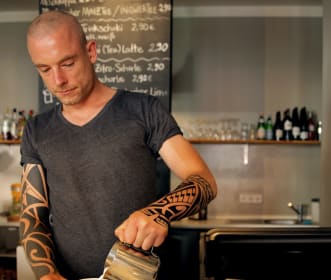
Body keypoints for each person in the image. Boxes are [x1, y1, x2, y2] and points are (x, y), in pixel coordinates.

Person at [20, 10, 217, 280]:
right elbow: (33, 217)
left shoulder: (143, 110)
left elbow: (204, 180)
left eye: (67, 64)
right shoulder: (36, 130)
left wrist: (158, 212)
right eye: (45, 69)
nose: (58, 80)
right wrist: (46, 274)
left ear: (90, 52)